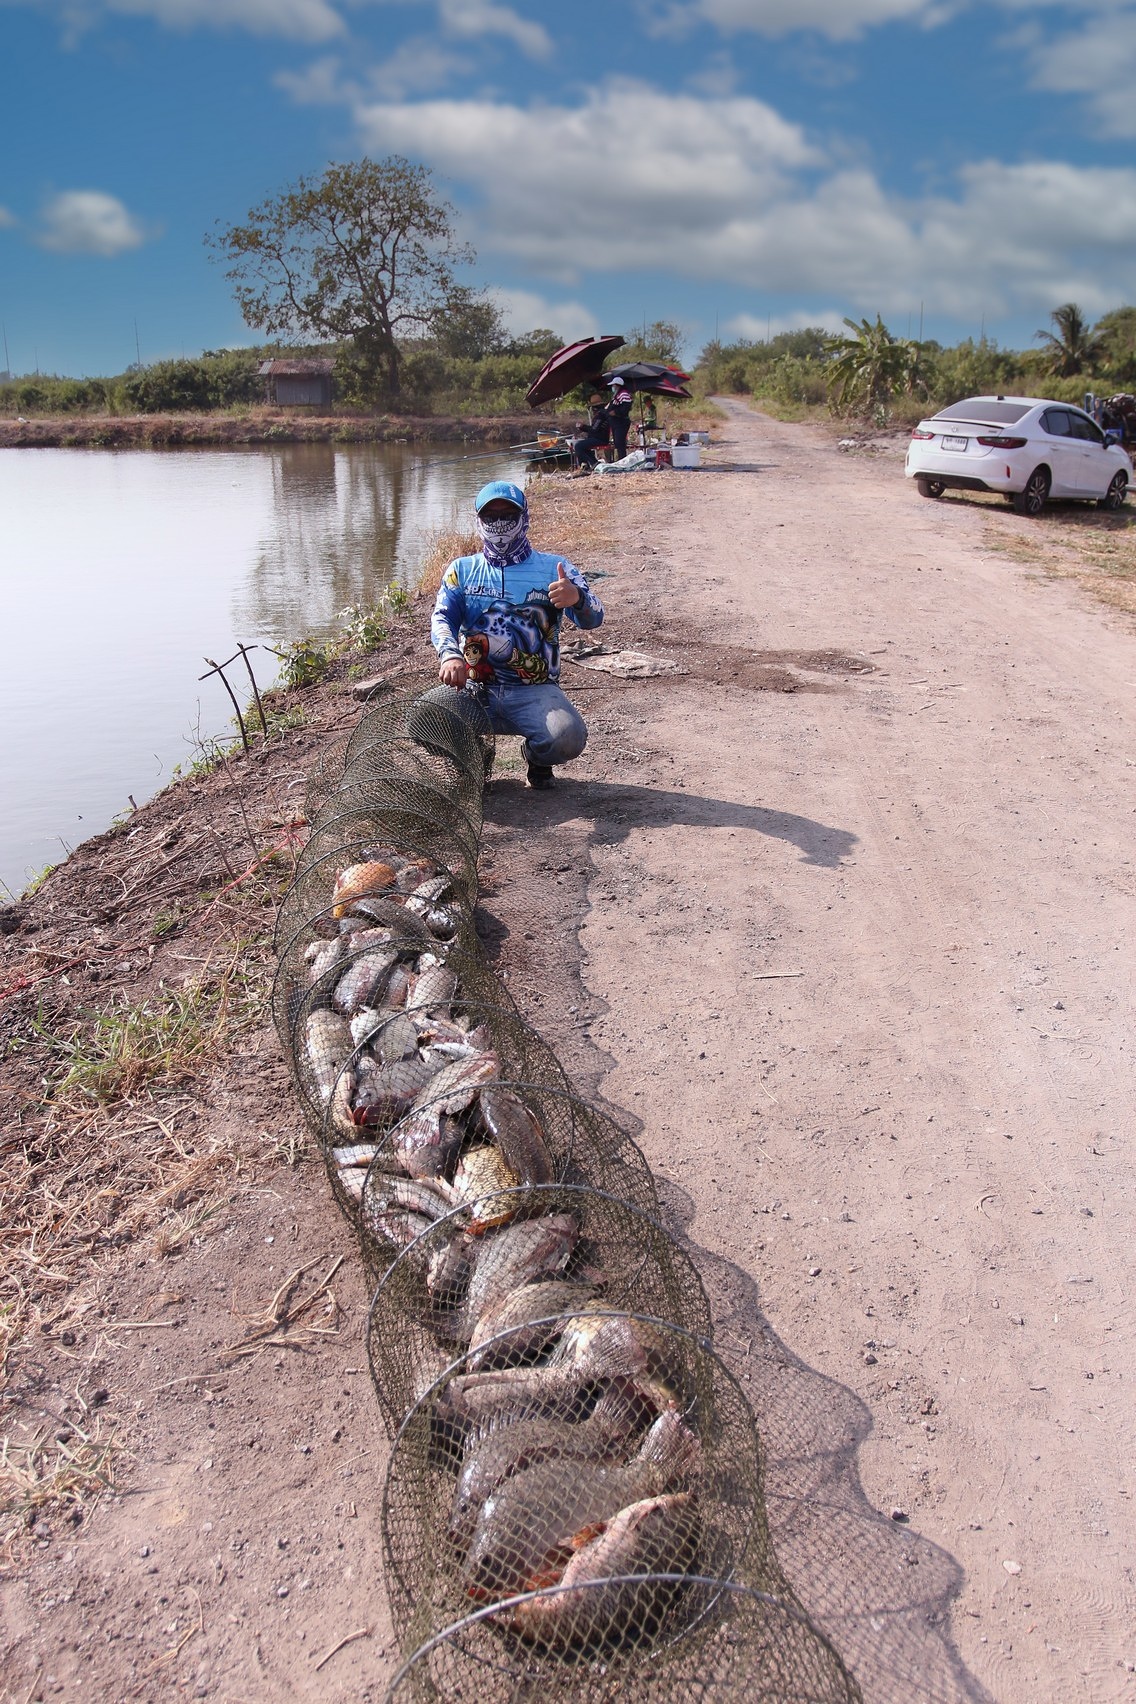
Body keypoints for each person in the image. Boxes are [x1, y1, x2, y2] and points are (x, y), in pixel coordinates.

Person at [431, 481, 604, 788]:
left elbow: (594, 618)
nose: (499, 523)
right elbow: (442, 617)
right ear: (478, 521)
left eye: (508, 514)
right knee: (423, 720)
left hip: (535, 690)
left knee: (568, 737)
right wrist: (450, 654)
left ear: (525, 517)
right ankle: (471, 756)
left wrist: (577, 597)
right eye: (491, 516)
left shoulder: (555, 568)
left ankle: (537, 758)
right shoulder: (461, 569)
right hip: (472, 688)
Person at [572, 393, 611, 471]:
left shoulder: (601, 415)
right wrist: (582, 428)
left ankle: (588, 465)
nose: (592, 410)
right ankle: (593, 463)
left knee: (578, 446)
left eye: (593, 408)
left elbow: (594, 429)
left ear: (595, 408)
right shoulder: (601, 414)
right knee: (582, 446)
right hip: (598, 437)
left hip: (600, 439)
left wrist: (583, 426)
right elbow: (593, 429)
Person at [605, 378, 634, 460]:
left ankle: (623, 459)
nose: (612, 387)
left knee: (620, 442)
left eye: (613, 385)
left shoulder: (623, 394)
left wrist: (616, 412)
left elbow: (626, 407)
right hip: (615, 423)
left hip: (621, 423)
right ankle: (621, 459)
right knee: (617, 443)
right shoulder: (616, 395)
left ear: (617, 385)